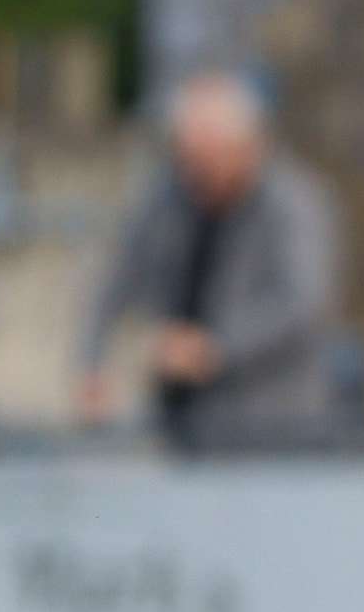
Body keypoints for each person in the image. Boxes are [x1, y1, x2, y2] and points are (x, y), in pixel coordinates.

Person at [78, 73, 340, 451]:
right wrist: (92, 364)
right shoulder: (169, 200)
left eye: (208, 160)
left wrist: (212, 348)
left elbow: (301, 305)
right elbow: (110, 282)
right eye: (186, 160)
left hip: (277, 435)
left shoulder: (295, 206)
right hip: (185, 428)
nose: (194, 176)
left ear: (247, 146)